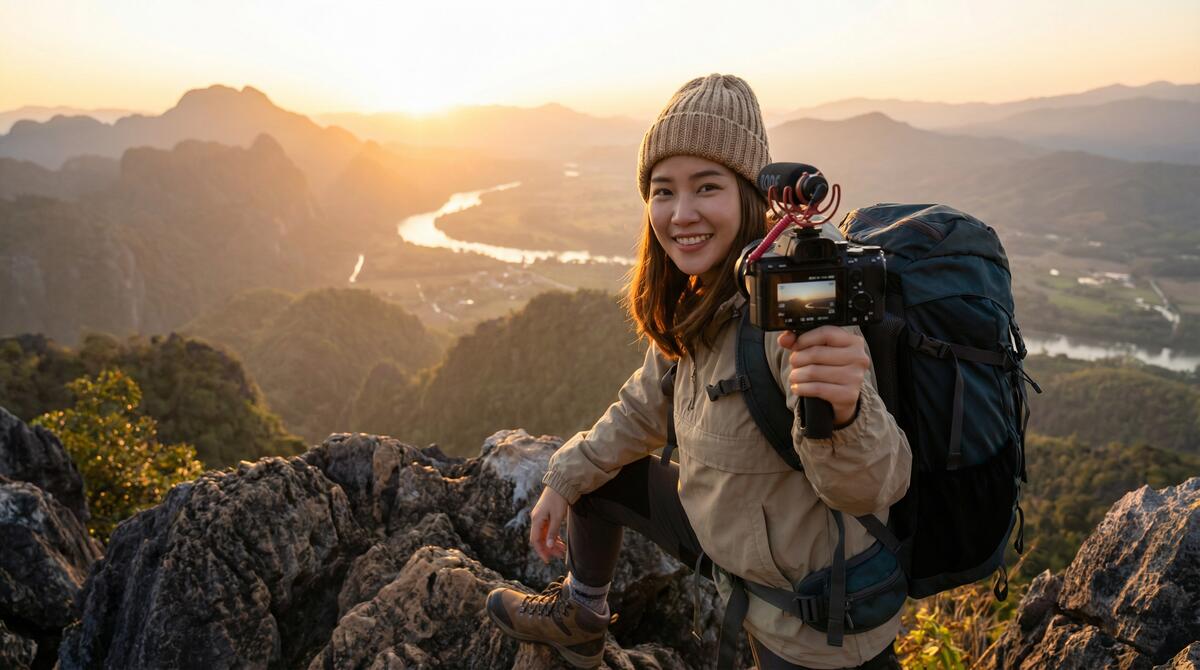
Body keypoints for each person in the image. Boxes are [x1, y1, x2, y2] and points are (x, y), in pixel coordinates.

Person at [485, 73, 911, 670]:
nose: (681, 214)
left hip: (814, 621)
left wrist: (843, 414)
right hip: (732, 535)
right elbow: (644, 405)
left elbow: (870, 487)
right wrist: (564, 477)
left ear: (750, 194)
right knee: (596, 474)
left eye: (706, 187)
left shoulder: (791, 302)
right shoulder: (706, 293)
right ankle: (581, 617)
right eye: (664, 191)